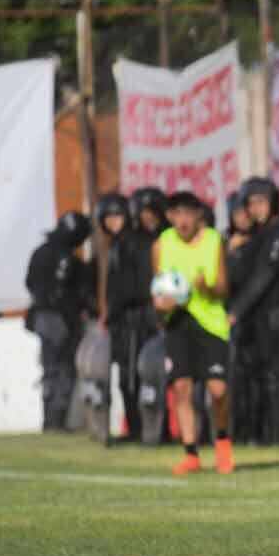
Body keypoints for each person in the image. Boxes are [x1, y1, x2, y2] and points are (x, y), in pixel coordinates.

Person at [152, 191, 234, 474]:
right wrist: (164, 305)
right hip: (178, 323)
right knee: (182, 387)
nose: (183, 220)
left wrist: (204, 288)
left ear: (198, 215)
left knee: (218, 389)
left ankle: (222, 440)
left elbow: (224, 287)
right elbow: (157, 294)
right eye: (177, 214)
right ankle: (191, 454)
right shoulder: (162, 244)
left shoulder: (213, 240)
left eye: (188, 213)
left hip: (210, 322)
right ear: (170, 216)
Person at [227, 177, 279, 445]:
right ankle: (257, 435)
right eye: (251, 203)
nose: (256, 209)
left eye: (261, 202)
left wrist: (236, 311)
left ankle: (278, 438)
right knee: (254, 377)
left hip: (277, 314)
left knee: (274, 377)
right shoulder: (257, 236)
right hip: (257, 317)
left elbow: (263, 276)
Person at [25, 211, 93, 432]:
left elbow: (30, 283)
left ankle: (50, 419)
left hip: (43, 317)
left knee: (51, 368)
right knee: (62, 368)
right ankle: (56, 419)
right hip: (61, 319)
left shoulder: (40, 253)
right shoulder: (67, 259)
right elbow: (74, 293)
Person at [98, 192, 152, 442]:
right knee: (124, 378)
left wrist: (117, 307)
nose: (113, 221)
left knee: (133, 378)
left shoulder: (135, 242)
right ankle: (133, 427)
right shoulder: (117, 245)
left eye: (117, 215)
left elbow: (137, 287)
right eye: (108, 217)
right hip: (122, 320)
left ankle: (141, 429)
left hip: (135, 320)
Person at [129, 186, 169, 443]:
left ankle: (167, 429)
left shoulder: (169, 239)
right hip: (140, 315)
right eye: (144, 213)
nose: (148, 218)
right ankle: (145, 429)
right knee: (140, 375)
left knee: (165, 374)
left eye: (152, 212)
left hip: (163, 313)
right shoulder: (131, 241)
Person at [224, 191, 259, 443]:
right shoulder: (225, 243)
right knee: (232, 380)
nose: (243, 219)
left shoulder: (260, 241)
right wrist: (228, 252)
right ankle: (235, 432)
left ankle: (252, 432)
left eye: (246, 214)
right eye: (238, 214)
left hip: (252, 318)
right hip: (228, 319)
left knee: (253, 380)